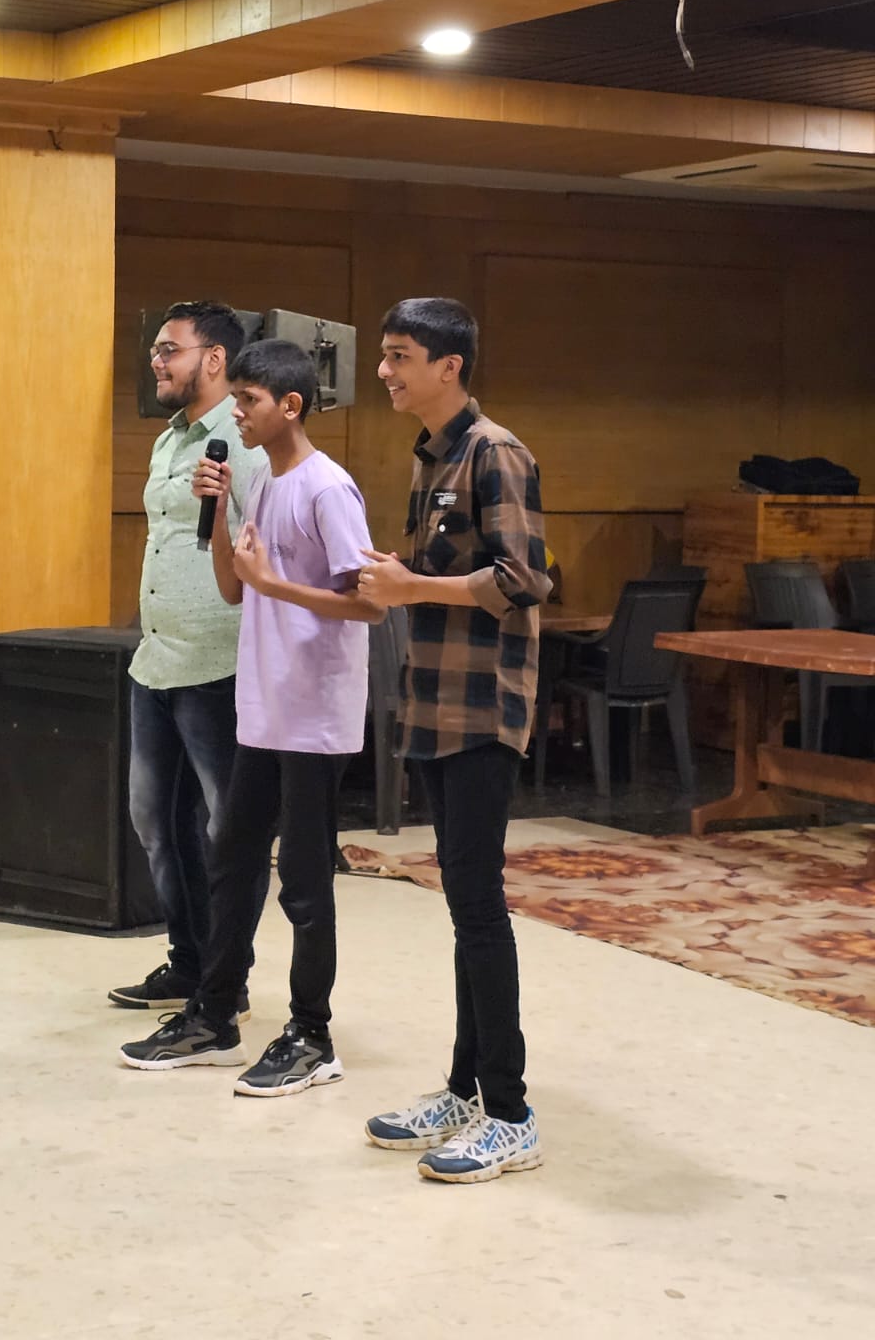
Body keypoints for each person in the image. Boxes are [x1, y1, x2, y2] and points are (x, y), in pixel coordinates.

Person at [119, 339, 383, 1096]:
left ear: (290, 405)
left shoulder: (328, 489)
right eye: (234, 398)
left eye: (249, 400)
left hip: (314, 716)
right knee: (232, 861)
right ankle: (213, 1016)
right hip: (264, 708)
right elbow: (237, 590)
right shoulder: (264, 482)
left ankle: (312, 1034)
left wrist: (276, 582)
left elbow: (368, 603)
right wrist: (216, 514)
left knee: (303, 879)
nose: (236, 411)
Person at [357, 297, 550, 1183]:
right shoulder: (432, 455)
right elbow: (438, 574)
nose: (385, 372)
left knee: (479, 907)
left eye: (400, 356)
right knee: (463, 903)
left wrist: (409, 589)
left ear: (450, 366)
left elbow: (521, 580)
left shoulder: (495, 452)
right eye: (384, 355)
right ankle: (466, 1090)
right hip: (435, 705)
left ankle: (509, 1113)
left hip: (482, 709)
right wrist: (395, 578)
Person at [108, 301, 267, 1016]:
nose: (156, 360)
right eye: (155, 349)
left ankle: (226, 978)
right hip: (156, 660)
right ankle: (188, 961)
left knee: (226, 831)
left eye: (169, 349)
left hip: (218, 662)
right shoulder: (168, 440)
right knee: (154, 821)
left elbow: (265, 549)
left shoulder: (248, 442)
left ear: (214, 359)